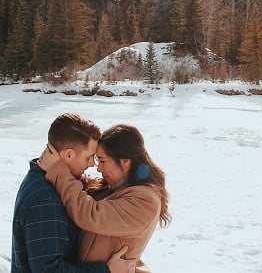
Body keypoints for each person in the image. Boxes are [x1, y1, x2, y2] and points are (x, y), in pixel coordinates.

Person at [11, 113, 136, 273]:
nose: (92, 164)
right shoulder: (46, 199)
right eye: (89, 157)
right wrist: (106, 270)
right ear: (68, 155)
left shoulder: (44, 179)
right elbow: (48, 270)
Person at [39, 124, 170, 273]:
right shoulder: (115, 188)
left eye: (103, 161)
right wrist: (71, 167)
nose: (99, 168)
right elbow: (87, 190)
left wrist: (57, 169)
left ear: (125, 161)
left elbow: (89, 213)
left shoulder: (145, 201)